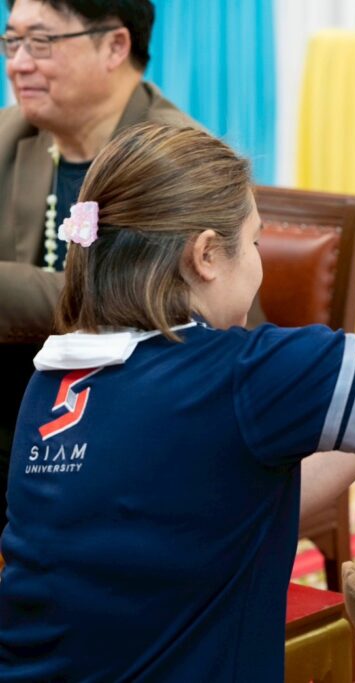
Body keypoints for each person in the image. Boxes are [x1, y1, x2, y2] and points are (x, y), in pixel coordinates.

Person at [0, 122, 355, 681]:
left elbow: (237, 504)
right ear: (206, 255)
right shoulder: (239, 372)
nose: (258, 262)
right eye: (255, 241)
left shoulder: (55, 377)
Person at [0, 0, 199, 532]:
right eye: (11, 41)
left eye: (41, 42)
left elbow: (147, 303)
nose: (18, 63)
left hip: (141, 418)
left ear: (114, 45)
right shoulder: (13, 135)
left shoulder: (175, 160)